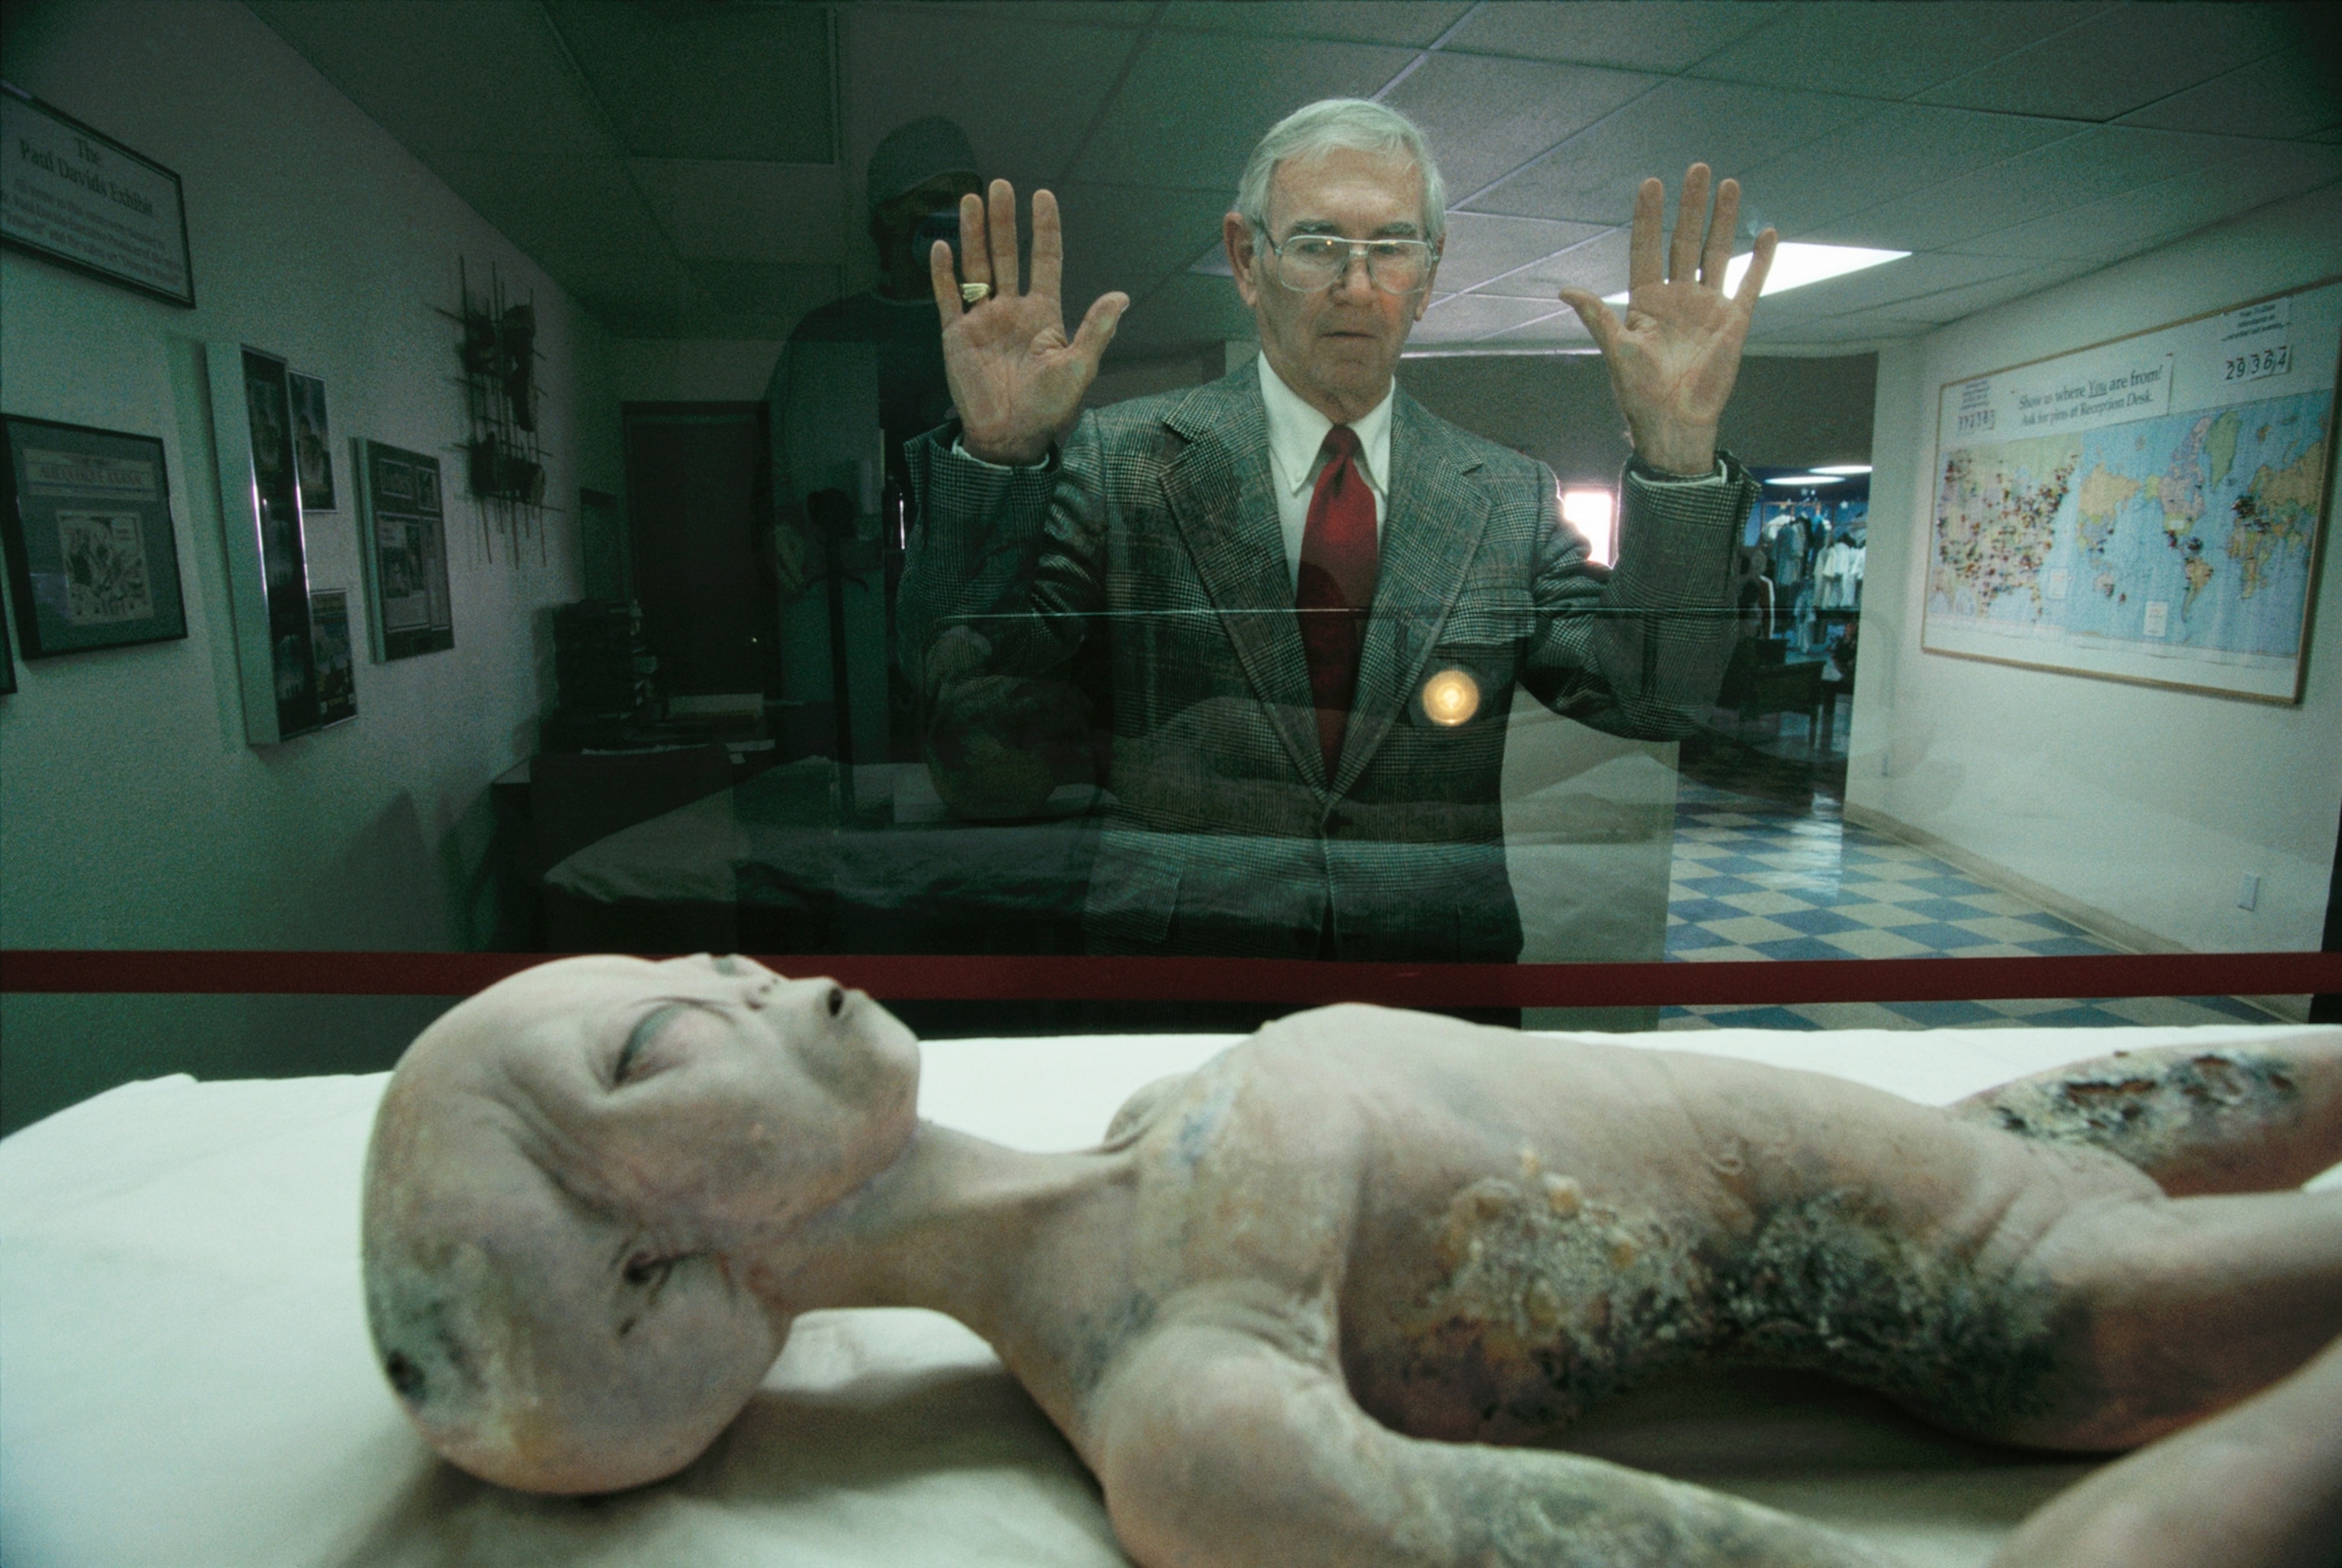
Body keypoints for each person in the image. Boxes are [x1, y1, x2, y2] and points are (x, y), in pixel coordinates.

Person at [363, 954, 2342, 1566]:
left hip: (1974, 1159)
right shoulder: (1194, 1417)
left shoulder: (1156, 1152)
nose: (715, 965)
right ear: (662, 1288)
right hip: (2004, 1284)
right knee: (2095, 1284)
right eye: (649, 1042)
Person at [897, 99, 1772, 963]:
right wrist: (1000, 453)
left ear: (1428, 276)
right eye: (1316, 244)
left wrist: (1679, 455)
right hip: (1187, 973)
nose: (1357, 284)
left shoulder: (1506, 495)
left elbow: (1654, 696)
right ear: (1247, 260)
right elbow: (959, 674)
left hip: (1428, 981)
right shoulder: (1125, 461)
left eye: (1392, 247)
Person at [764, 116, 983, 767]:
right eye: (933, 200)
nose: (952, 217)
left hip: (964, 607)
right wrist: (774, 522)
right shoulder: (825, 338)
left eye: (964, 201)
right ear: (888, 215)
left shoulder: (988, 331)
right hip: (845, 606)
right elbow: (772, 468)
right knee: (855, 769)